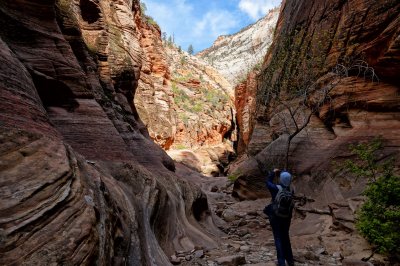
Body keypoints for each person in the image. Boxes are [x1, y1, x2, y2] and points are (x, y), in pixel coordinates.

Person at [264, 168, 294, 266]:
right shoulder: (292, 190)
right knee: (285, 237)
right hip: (286, 217)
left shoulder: (276, 188)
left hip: (276, 216)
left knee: (278, 238)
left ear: (280, 179)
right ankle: (290, 260)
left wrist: (273, 172)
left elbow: (267, 182)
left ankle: (281, 262)